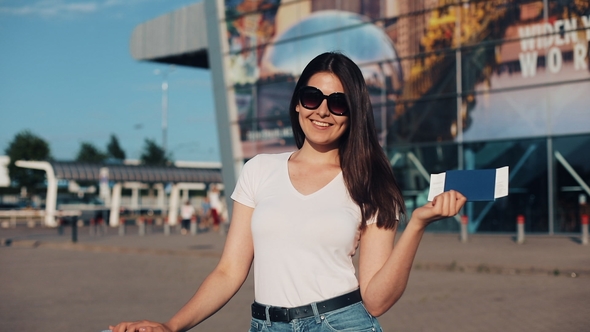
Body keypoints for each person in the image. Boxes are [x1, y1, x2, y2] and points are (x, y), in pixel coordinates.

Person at [107, 52, 466, 332]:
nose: (323, 110)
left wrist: (418, 224)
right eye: (313, 97)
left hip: (338, 323)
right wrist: (171, 325)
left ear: (353, 114)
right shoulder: (259, 170)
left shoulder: (371, 183)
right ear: (297, 104)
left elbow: (376, 300)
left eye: (338, 103)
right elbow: (229, 272)